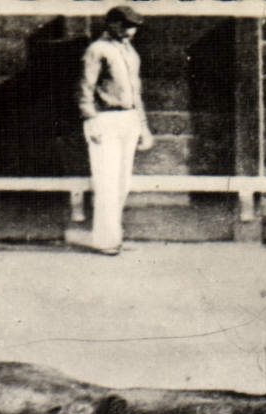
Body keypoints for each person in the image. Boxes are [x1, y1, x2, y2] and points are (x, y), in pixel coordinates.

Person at [78, 5, 153, 255]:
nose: (130, 31)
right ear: (111, 24)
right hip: (106, 120)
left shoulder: (130, 53)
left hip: (129, 119)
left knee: (122, 182)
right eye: (125, 26)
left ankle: (114, 235)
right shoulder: (97, 50)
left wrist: (143, 127)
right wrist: (91, 121)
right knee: (106, 181)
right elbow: (84, 90)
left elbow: (136, 92)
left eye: (133, 27)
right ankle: (105, 240)